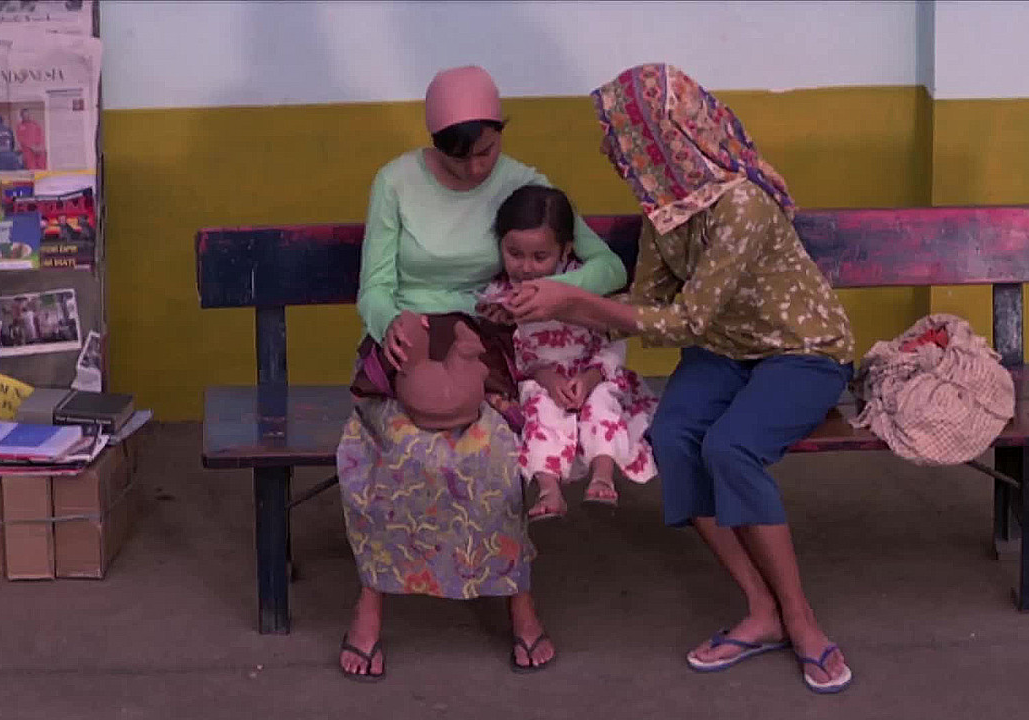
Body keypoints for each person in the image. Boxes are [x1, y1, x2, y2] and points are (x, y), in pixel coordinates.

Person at [504, 64, 857, 694]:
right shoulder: (665, 213)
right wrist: (577, 332)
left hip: (802, 353)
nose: (614, 152)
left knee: (731, 448)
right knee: (672, 440)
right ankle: (761, 610)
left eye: (623, 139)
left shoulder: (741, 206)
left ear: (664, 139)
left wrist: (569, 302)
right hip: (723, 353)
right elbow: (647, 309)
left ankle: (801, 620)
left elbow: (682, 318)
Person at [334, 65, 628, 680]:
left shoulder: (526, 185)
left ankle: (520, 604)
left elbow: (607, 270)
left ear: (501, 132)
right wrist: (390, 323)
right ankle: (371, 602)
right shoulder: (395, 181)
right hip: (409, 339)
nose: (475, 169)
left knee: (494, 451)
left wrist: (548, 290)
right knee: (388, 448)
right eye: (458, 156)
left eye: (486, 151)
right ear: (434, 142)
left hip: (494, 344)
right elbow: (375, 285)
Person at [478, 185, 657, 522]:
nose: (526, 268)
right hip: (539, 377)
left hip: (593, 373)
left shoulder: (585, 285)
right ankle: (549, 489)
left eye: (540, 257)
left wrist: (591, 376)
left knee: (603, 403)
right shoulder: (499, 295)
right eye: (515, 254)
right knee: (540, 410)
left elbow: (613, 337)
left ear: (565, 249)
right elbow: (504, 352)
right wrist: (543, 376)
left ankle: (603, 476)